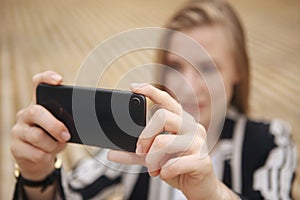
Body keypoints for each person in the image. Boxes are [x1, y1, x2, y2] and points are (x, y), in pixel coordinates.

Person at [11, 0, 296, 199]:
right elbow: (70, 192)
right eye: (177, 66)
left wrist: (213, 193)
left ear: (238, 71)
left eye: (208, 67)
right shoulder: (140, 135)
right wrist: (37, 173)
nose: (189, 86)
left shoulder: (271, 140)